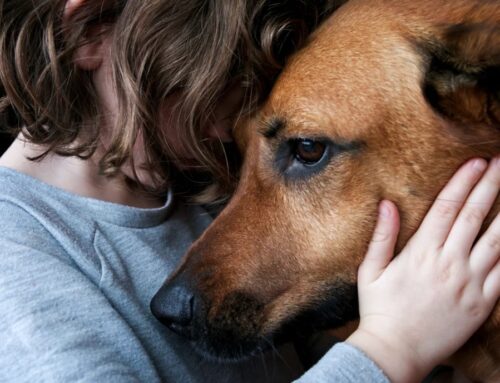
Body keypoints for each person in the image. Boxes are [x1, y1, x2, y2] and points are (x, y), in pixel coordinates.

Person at [0, 1, 498, 382]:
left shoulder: (192, 179)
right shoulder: (15, 267)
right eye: (212, 82)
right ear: (89, 29)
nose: (220, 128)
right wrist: (392, 348)